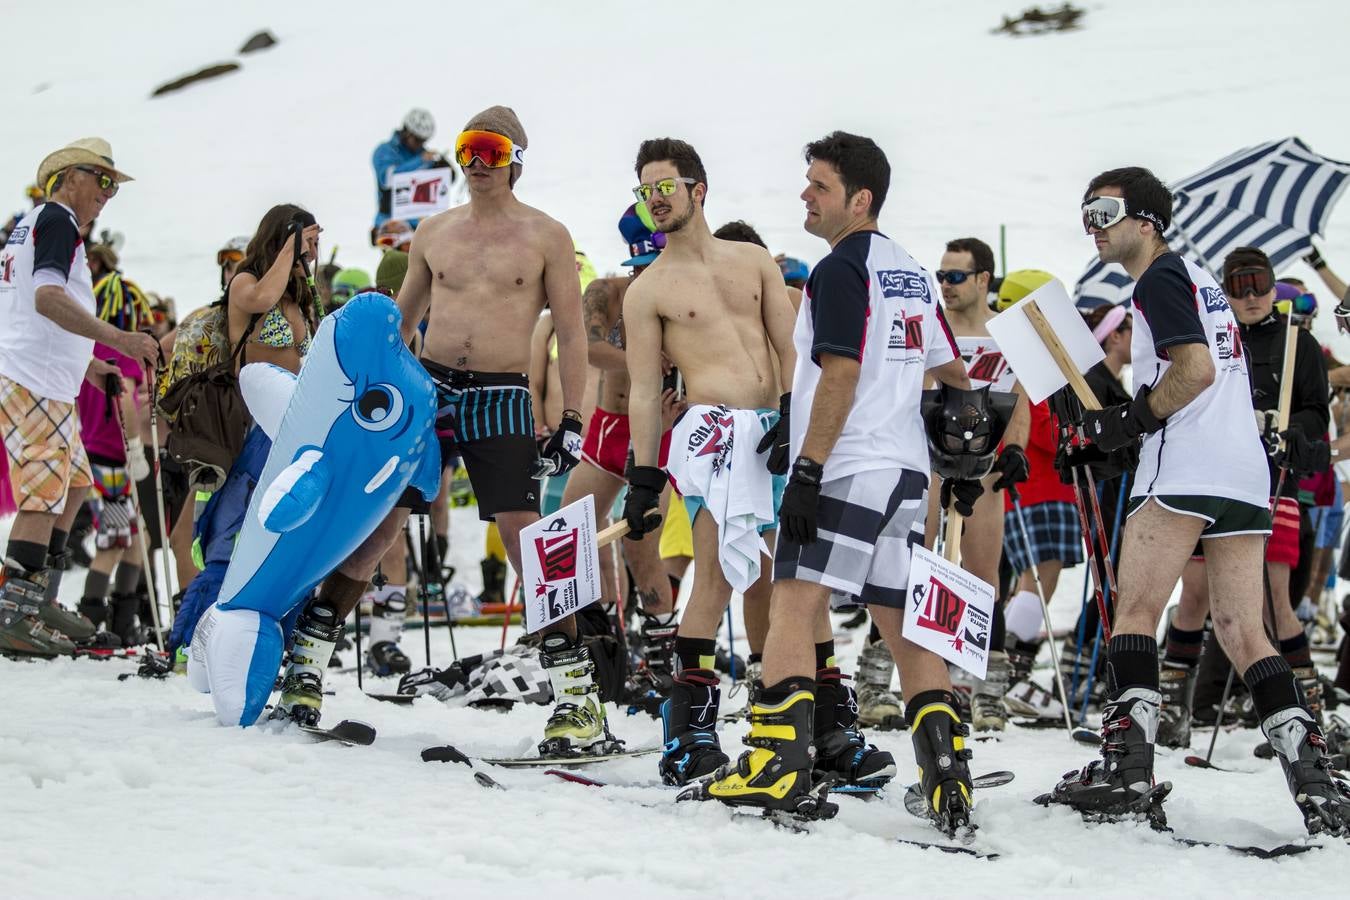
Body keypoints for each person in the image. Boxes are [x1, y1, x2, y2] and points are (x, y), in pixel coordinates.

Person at [1043, 167, 1349, 835]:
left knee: (1138, 607)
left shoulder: (1157, 278)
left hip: (1185, 464)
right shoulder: (1200, 279)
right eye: (1085, 212)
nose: (1091, 226)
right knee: (1245, 630)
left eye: (1103, 211)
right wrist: (1122, 423)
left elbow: (1195, 369)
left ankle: (1126, 768)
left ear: (1146, 219)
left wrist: (1134, 422)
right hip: (1241, 473)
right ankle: (1316, 780)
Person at [701, 133, 977, 828]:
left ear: (861, 199)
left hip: (849, 463)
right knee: (901, 620)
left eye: (818, 185)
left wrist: (810, 469)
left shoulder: (841, 268)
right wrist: (966, 454)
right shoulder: (911, 270)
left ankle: (777, 764)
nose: (804, 195)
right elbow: (954, 377)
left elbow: (844, 371)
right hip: (906, 473)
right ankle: (948, 777)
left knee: (793, 602)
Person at [328, 106, 588, 748]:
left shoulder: (547, 235)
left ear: (517, 159)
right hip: (429, 385)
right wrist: (365, 392)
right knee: (379, 523)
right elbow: (398, 323)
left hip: (502, 394)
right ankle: (306, 663)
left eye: (493, 151)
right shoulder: (433, 232)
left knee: (528, 538)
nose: (478, 163)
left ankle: (579, 701)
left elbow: (572, 334)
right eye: (469, 148)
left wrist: (573, 419)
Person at [620, 138, 832, 787]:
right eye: (644, 191)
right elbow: (640, 388)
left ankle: (806, 722)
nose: (655, 200)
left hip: (776, 428)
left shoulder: (753, 261)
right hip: (714, 433)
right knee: (713, 577)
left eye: (664, 187)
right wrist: (643, 474)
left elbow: (788, 342)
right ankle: (688, 735)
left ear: (696, 189)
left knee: (792, 579)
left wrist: (798, 411)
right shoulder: (647, 290)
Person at [1159, 246, 1330, 747]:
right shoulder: (1215, 339)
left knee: (1274, 600)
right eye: (1238, 285)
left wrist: (1289, 429)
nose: (1251, 295)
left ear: (1274, 285)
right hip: (1212, 478)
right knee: (1193, 594)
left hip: (1274, 478)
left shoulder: (1298, 342)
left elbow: (1318, 414)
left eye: (1259, 283)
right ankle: (1173, 707)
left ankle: (1309, 710)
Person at [0, 138, 156, 656]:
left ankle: (36, 598)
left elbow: (26, 307)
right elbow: (47, 299)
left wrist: (87, 364)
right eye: (103, 181)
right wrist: (120, 340)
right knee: (46, 489)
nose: (109, 194)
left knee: (74, 483)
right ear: (71, 177)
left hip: (44, 375)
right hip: (34, 379)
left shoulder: (36, 225)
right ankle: (13, 613)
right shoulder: (58, 220)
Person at [552, 203, 674, 701]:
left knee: (642, 549)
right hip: (609, 426)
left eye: (652, 266)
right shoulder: (607, 291)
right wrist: (645, 358)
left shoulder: (682, 292)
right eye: (639, 267)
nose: (645, 276)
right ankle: (584, 643)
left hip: (657, 431)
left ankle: (663, 659)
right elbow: (586, 345)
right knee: (567, 532)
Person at [924, 237, 1030, 731]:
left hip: (985, 463)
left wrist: (1015, 449)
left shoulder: (1007, 333)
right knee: (921, 563)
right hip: (931, 460)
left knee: (983, 572)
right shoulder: (933, 326)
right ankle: (920, 676)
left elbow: (1022, 396)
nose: (945, 285)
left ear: (983, 278)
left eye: (956, 276)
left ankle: (988, 684)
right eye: (941, 275)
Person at [371, 107, 453, 235]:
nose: (419, 144)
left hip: (417, 225)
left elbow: (443, 184)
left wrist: (444, 169)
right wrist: (420, 161)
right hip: (390, 223)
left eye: (423, 141)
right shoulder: (385, 151)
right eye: (417, 139)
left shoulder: (424, 155)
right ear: (406, 132)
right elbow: (388, 179)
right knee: (396, 256)